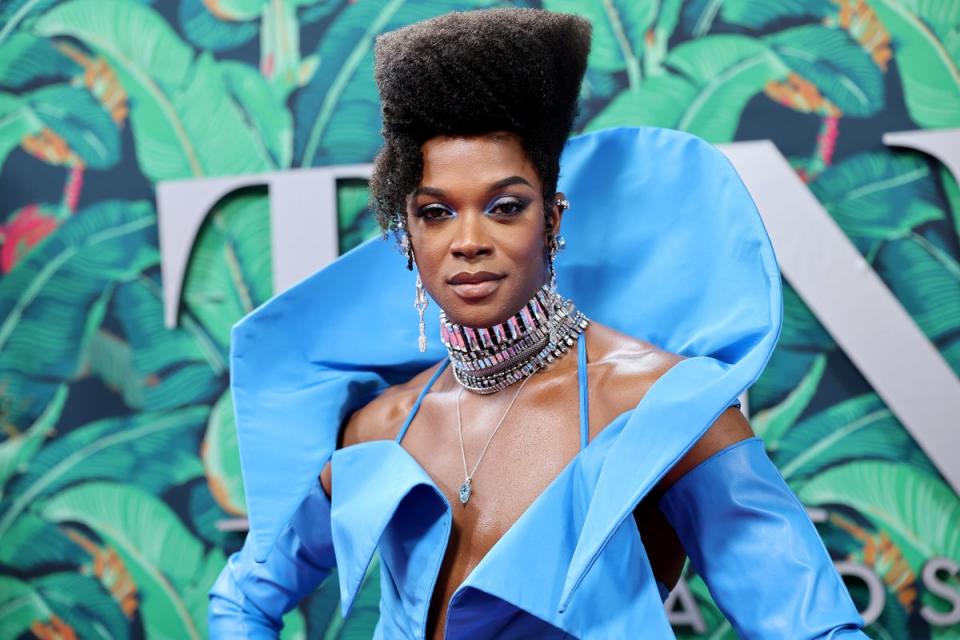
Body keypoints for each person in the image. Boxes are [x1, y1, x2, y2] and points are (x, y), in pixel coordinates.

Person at [209, 8, 867, 639]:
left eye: (504, 207)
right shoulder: (380, 426)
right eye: (436, 212)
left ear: (552, 220)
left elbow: (816, 627)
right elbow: (242, 599)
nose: (468, 240)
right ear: (406, 232)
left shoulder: (663, 405)